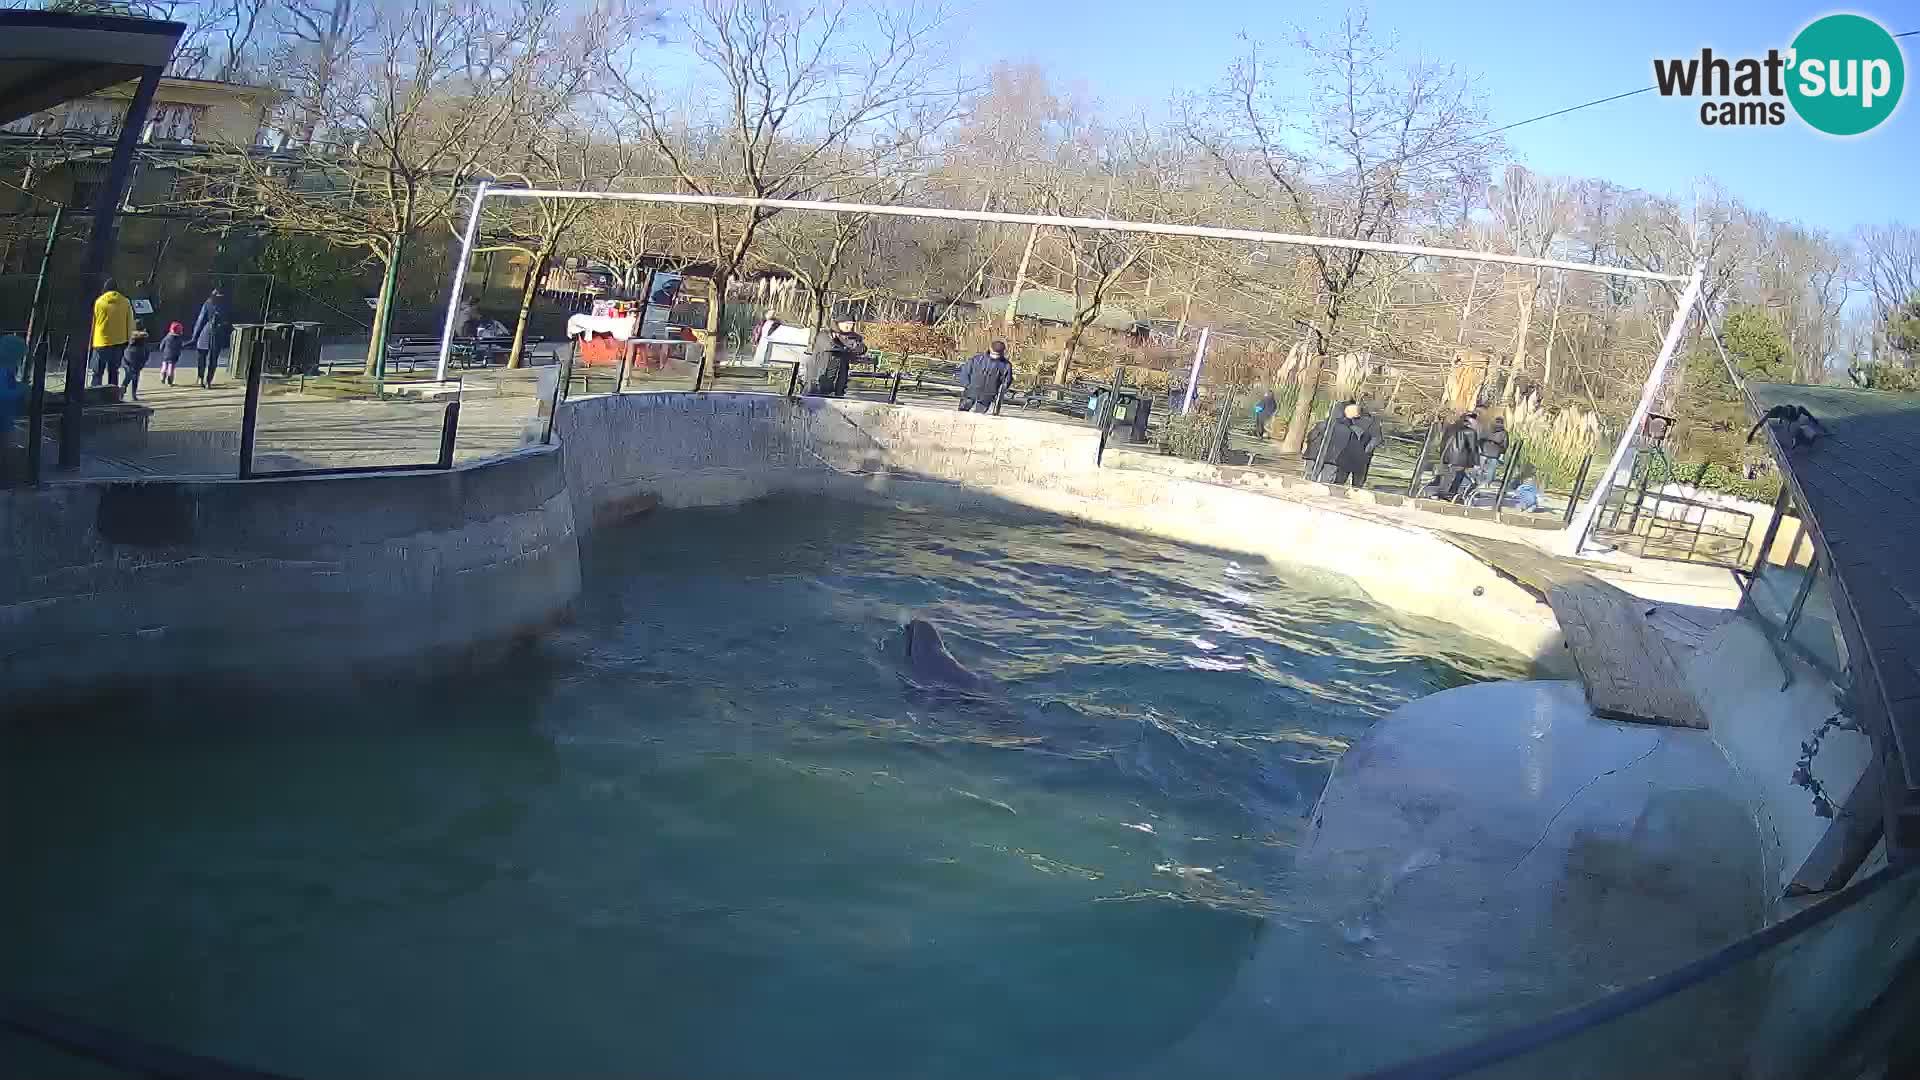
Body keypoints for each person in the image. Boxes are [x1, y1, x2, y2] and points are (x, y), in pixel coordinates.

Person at [90, 277, 133, 388]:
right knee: (114, 371)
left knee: (97, 371)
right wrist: (128, 340)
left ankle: (95, 392)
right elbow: (130, 322)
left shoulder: (99, 302)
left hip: (101, 342)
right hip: (119, 342)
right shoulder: (125, 301)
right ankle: (112, 395)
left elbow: (94, 322)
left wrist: (90, 339)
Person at [1430, 410, 1481, 501]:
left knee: (1448, 476)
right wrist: (1476, 463)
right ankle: (1450, 493)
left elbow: (1444, 442)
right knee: (1458, 475)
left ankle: (1442, 493)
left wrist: (1443, 455)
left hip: (1447, 457)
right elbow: (1473, 449)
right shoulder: (1470, 432)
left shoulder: (1452, 428)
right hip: (1460, 459)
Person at [955, 339, 1014, 413]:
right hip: (970, 392)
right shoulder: (977, 359)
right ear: (990, 349)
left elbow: (1006, 381)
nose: (995, 356)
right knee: (961, 413)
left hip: (987, 396)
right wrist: (967, 385)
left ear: (1002, 352)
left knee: (978, 416)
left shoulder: (1006, 365)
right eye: (994, 353)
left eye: (998, 354)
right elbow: (965, 372)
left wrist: (997, 393)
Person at [815, 319, 865, 397]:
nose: (850, 326)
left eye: (852, 324)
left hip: (842, 373)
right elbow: (829, 346)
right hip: (825, 368)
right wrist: (845, 346)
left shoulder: (852, 336)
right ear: (839, 323)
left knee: (839, 391)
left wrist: (855, 347)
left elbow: (862, 349)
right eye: (847, 323)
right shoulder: (826, 333)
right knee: (823, 391)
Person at [191, 287, 229, 389]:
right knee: (213, 358)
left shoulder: (208, 304)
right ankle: (209, 381)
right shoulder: (226, 305)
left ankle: (200, 378)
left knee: (201, 356)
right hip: (219, 333)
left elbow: (200, 320)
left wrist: (194, 337)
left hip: (206, 331)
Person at [1477, 415, 1509, 486]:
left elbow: (1480, 440)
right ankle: (1487, 483)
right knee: (1491, 469)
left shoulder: (1487, 429)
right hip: (1495, 453)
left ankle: (1478, 481)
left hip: (1484, 450)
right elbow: (1505, 445)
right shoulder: (1504, 433)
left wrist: (1482, 448)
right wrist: (1501, 452)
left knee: (1481, 467)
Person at [121, 328, 150, 401]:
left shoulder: (129, 346)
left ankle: (123, 388)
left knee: (128, 376)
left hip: (127, 363)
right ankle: (133, 394)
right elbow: (145, 357)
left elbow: (124, 354)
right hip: (136, 365)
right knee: (135, 379)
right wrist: (142, 364)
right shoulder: (143, 348)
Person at [157, 321, 187, 386]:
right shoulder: (179, 339)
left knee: (164, 365)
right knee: (171, 368)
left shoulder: (167, 337)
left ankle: (162, 376)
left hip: (166, 354)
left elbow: (162, 344)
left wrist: (161, 349)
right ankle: (170, 381)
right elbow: (180, 346)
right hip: (174, 355)